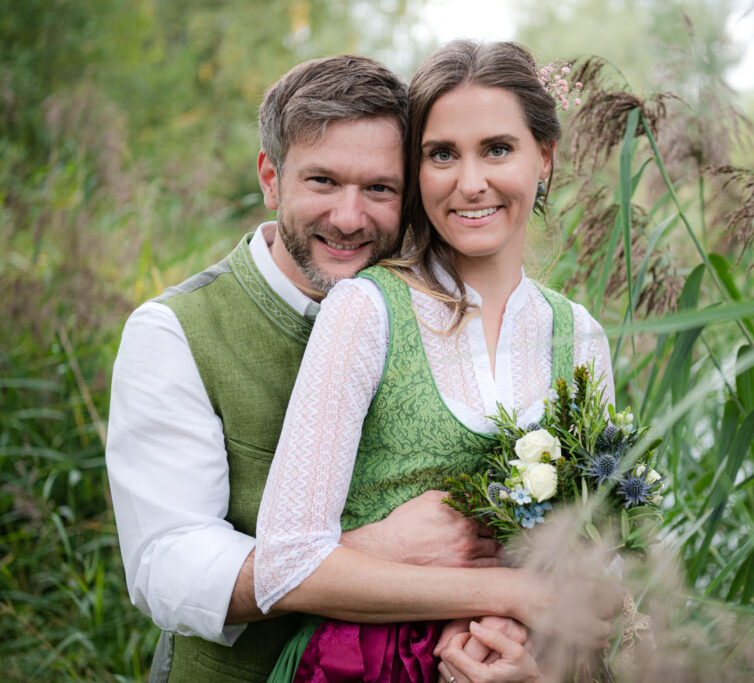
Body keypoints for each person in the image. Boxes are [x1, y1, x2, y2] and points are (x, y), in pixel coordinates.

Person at [106, 55, 506, 682]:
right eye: (322, 181)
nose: (349, 219)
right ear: (271, 177)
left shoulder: (448, 313)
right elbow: (167, 565)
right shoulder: (176, 331)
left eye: (379, 188)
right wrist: (370, 554)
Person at [254, 40, 616, 682]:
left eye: (497, 149)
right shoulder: (367, 311)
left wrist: (533, 663)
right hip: (358, 666)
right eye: (441, 154)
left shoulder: (579, 336)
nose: (469, 182)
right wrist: (507, 596)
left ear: (545, 158)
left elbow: (596, 558)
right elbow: (284, 568)